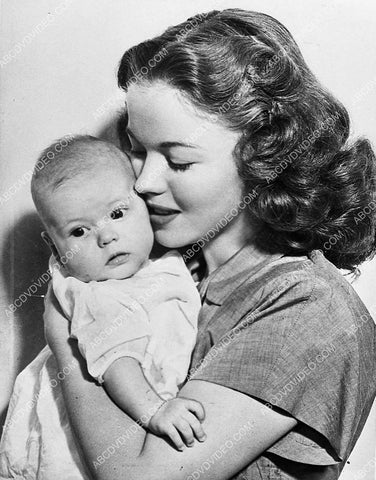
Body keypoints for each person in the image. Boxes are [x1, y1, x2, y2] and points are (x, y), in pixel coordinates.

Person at [43, 8, 376, 480]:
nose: (143, 181)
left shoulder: (310, 309)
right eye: (137, 149)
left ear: (262, 158)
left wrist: (68, 334)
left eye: (177, 161)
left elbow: (138, 477)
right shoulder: (173, 266)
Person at [0, 136, 204, 479]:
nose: (105, 237)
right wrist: (155, 411)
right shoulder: (97, 295)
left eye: (117, 213)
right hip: (82, 445)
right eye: (79, 231)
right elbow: (117, 362)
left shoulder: (148, 267)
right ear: (54, 245)